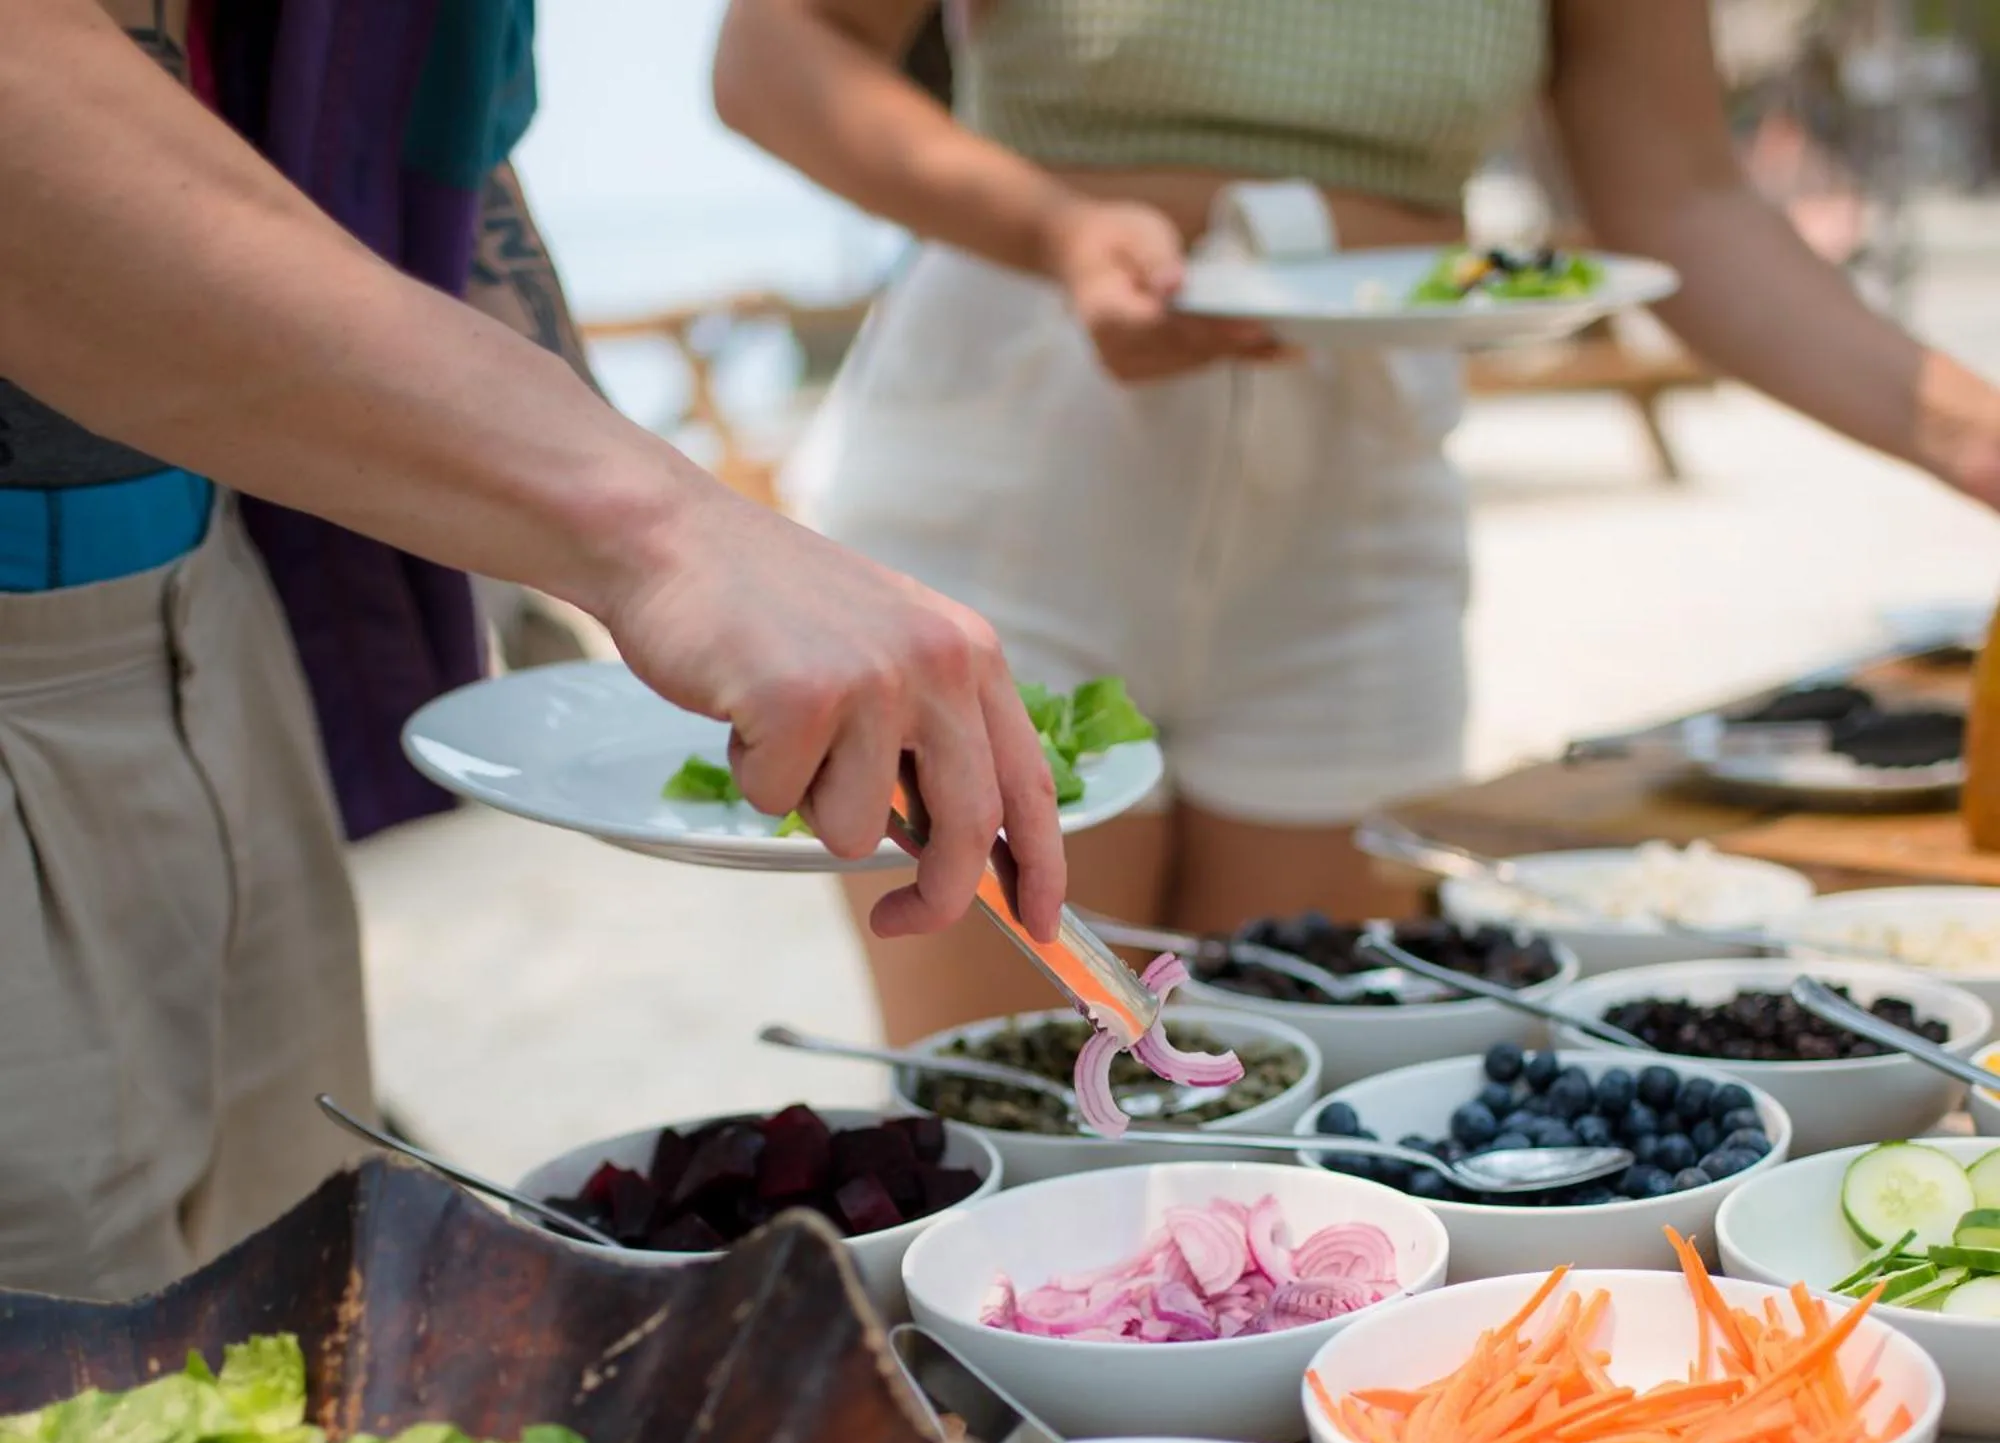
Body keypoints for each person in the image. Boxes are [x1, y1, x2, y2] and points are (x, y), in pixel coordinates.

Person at [0, 0, 1063, 1302]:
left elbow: (418, 179)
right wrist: (659, 527)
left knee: (284, 1368)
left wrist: (698, 539)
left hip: (223, 609)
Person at [716, 0, 2000, 1046]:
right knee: (1019, 1121)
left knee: (1306, 1107)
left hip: (1356, 496)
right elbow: (774, 52)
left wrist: (1973, 434)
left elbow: (1680, 197)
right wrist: (1054, 232)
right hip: (1008, 450)